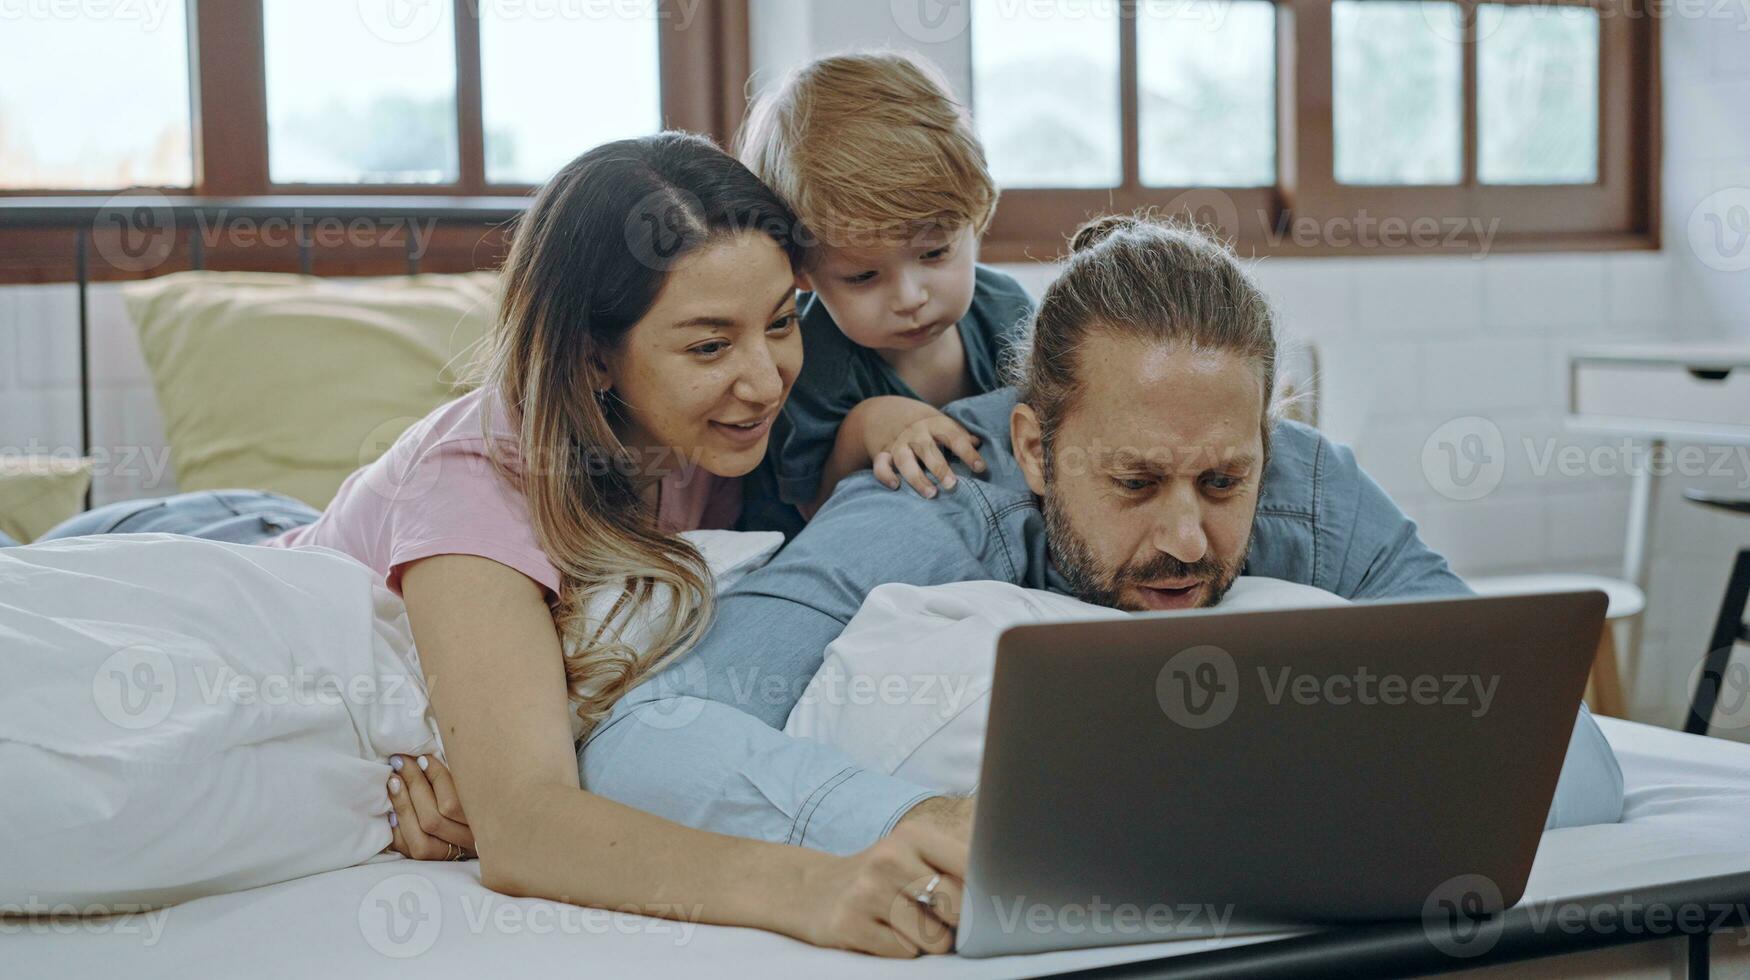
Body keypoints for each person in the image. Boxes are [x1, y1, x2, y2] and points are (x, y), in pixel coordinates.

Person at [24, 133, 969, 958]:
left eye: (779, 322)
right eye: (710, 347)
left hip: (300, 513)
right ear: (592, 354)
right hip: (206, 549)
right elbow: (524, 827)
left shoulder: (728, 428)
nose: (765, 380)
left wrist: (872, 427)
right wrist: (810, 887)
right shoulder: (481, 479)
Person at [575, 213, 1625, 850]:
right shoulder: (943, 494)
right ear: (1035, 448)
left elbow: (1563, 753)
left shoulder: (1311, 490)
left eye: (1222, 479)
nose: (1182, 535)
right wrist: (906, 822)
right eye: (1132, 481)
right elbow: (646, 734)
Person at [738, 52, 1034, 512]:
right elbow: (814, 513)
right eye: (863, 276)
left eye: (934, 253)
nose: (911, 297)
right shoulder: (808, 361)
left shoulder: (1008, 312)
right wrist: (863, 429)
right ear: (801, 271)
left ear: (975, 212)